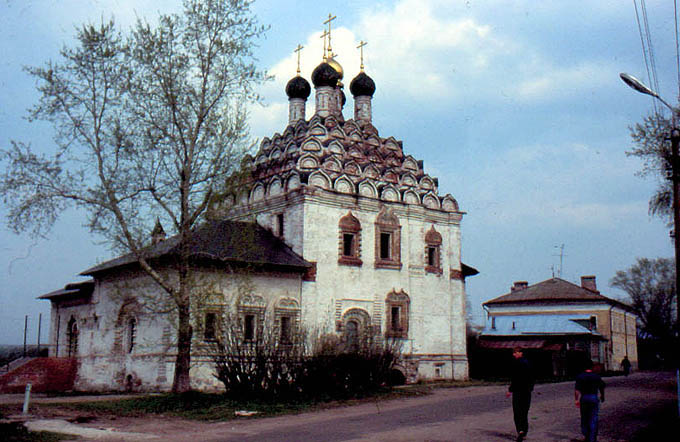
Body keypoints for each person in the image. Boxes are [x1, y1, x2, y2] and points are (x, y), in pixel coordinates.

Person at [506, 347, 534, 442]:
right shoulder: (529, 363)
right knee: (524, 412)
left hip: (518, 391)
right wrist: (530, 388)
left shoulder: (516, 364)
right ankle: (524, 432)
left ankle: (520, 431)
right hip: (527, 391)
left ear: (520, 353)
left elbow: (515, 379)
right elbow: (532, 378)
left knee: (517, 412)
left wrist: (510, 390)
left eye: (515, 353)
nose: (513, 355)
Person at [575, 359, 605, 442]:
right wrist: (602, 395)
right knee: (593, 418)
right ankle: (592, 438)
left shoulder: (580, 376)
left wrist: (576, 400)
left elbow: (577, 390)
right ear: (592, 366)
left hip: (584, 398)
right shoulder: (596, 376)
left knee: (584, 418)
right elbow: (602, 386)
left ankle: (586, 436)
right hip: (593, 397)